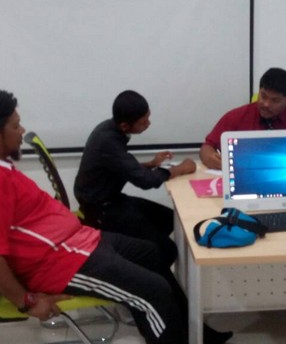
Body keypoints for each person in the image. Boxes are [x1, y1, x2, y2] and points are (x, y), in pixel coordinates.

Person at [0, 90, 231, 344]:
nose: (21, 131)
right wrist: (27, 302)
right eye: (15, 125)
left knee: (154, 254)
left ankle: (194, 333)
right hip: (61, 263)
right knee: (154, 290)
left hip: (78, 242)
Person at [74, 90, 196, 267]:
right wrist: (181, 169)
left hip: (111, 199)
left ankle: (148, 261)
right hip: (102, 210)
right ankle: (149, 274)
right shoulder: (108, 141)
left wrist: (151, 164)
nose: (149, 123)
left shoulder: (109, 129)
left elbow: (123, 167)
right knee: (167, 250)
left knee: (170, 220)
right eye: (144, 122)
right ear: (125, 126)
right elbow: (145, 181)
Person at [200, 67, 286, 170]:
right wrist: (210, 157)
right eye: (263, 96)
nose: (266, 104)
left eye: (275, 101)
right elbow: (207, 147)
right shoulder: (237, 116)